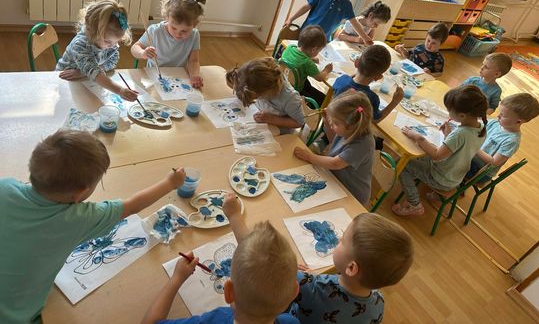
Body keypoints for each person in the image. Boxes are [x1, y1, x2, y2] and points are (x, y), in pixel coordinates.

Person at [0, 130, 187, 324]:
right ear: (80, 193)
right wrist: (170, 183)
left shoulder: (4, 186)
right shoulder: (75, 219)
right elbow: (133, 205)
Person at [142, 194, 299, 324]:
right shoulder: (291, 321)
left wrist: (176, 279)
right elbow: (258, 259)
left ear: (228, 292)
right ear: (294, 292)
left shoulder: (215, 320)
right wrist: (235, 216)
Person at [288, 211, 413, 324]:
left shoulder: (311, 286)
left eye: (343, 241)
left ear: (352, 268)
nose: (338, 239)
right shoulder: (379, 302)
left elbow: (281, 271)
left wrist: (311, 278)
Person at [392, 85, 488, 216]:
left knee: (402, 165)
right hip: (453, 176)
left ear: (462, 115)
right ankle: (415, 178)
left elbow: (437, 155)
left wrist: (418, 137)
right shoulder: (481, 128)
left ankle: (414, 204)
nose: (448, 114)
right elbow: (459, 150)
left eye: (449, 111)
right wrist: (448, 135)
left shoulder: (460, 134)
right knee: (417, 155)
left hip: (441, 178)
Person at [293, 91, 375, 205]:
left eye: (335, 123)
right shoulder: (349, 131)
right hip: (335, 182)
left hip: (352, 195)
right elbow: (333, 141)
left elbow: (335, 163)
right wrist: (327, 122)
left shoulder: (364, 144)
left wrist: (309, 157)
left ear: (351, 126)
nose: (332, 124)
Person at [56, 0, 138, 101]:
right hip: (65, 81)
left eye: (116, 41)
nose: (113, 46)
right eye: (108, 41)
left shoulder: (109, 43)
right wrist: (120, 90)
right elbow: (95, 72)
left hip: (85, 79)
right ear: (92, 31)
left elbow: (112, 61)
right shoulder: (80, 45)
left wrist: (83, 72)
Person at [131, 0, 206, 88]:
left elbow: (194, 61)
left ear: (194, 25)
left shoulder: (194, 35)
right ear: (167, 18)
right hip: (154, 75)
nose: (178, 34)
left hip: (178, 76)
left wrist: (194, 76)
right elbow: (135, 48)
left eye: (184, 31)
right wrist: (142, 53)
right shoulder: (155, 31)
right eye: (174, 28)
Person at [468, 93, 539, 182]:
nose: (498, 116)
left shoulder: (511, 141)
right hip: (472, 158)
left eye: (503, 115)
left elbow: (494, 162)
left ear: (518, 121)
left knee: (454, 158)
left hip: (480, 172)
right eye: (499, 113)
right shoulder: (495, 123)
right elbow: (474, 127)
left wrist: (475, 148)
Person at [226, 57, 305, 134]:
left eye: (257, 97)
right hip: (260, 118)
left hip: (279, 133)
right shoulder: (254, 78)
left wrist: (271, 119)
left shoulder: (290, 98)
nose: (257, 98)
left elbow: (299, 122)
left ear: (268, 91)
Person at [332, 44, 404, 123]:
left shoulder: (342, 80)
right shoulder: (371, 98)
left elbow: (350, 82)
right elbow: (375, 121)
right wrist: (395, 102)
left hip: (329, 124)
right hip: (348, 131)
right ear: (378, 77)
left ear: (356, 63)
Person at [280, 25, 331, 105]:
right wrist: (326, 70)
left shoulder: (290, 47)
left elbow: (298, 57)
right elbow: (320, 78)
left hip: (284, 81)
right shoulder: (307, 63)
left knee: (309, 86)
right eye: (319, 50)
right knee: (324, 100)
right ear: (314, 49)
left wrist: (311, 58)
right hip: (296, 91)